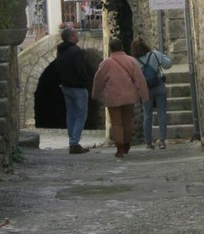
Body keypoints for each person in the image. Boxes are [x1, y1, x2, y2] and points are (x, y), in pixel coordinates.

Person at [91, 37, 149, 157]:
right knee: (127, 121)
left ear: (110, 49)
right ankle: (127, 143)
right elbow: (140, 80)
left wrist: (95, 95)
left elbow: (98, 80)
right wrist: (145, 96)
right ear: (122, 47)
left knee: (116, 122)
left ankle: (120, 147)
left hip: (112, 97)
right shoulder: (131, 61)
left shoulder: (105, 64)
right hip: (129, 96)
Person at [54, 26, 93, 154]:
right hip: (78, 87)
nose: (78, 36)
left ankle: (72, 141)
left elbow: (57, 67)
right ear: (71, 37)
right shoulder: (76, 51)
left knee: (71, 115)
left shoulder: (60, 51)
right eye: (76, 34)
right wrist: (86, 80)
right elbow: (80, 69)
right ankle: (74, 143)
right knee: (81, 115)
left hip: (66, 86)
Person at [131, 37, 173, 150]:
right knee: (162, 113)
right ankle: (162, 141)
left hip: (146, 89)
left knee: (147, 115)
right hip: (159, 85)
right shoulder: (155, 54)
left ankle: (149, 142)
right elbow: (168, 64)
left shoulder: (135, 61)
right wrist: (162, 57)